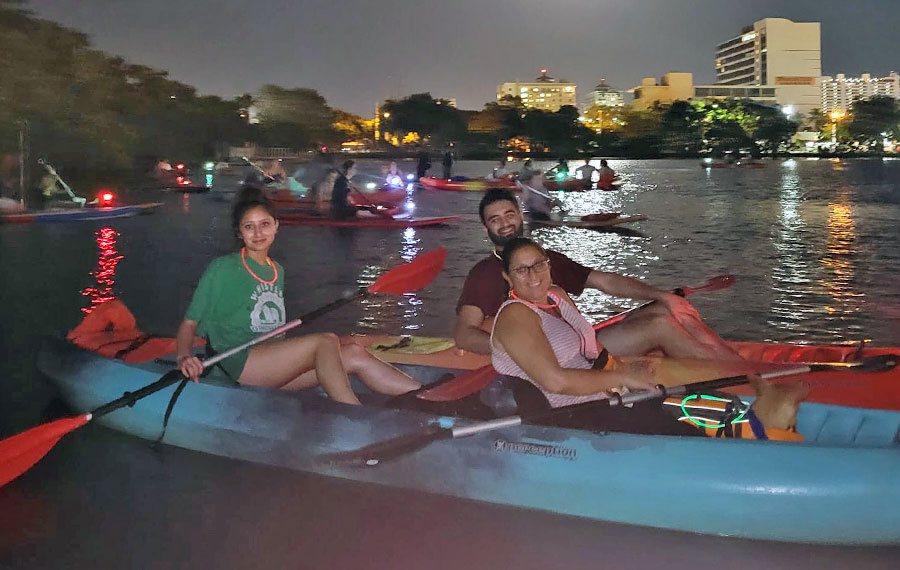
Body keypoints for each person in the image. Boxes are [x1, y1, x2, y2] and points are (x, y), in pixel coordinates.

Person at [175, 187, 420, 405]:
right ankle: (353, 417)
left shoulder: (276, 270)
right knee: (325, 341)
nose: (258, 233)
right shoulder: (223, 268)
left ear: (276, 226)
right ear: (239, 232)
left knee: (354, 353)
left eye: (265, 224)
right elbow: (189, 324)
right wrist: (185, 356)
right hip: (237, 365)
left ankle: (426, 397)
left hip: (272, 365)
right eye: (249, 226)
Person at [455, 188, 743, 362]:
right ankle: (741, 381)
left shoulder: (547, 258)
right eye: (495, 220)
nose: (505, 224)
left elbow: (605, 281)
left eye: (509, 214)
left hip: (581, 340)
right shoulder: (484, 274)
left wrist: (661, 294)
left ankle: (736, 364)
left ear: (520, 216)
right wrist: (517, 353)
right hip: (565, 355)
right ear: (486, 229)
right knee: (660, 326)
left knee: (672, 309)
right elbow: (465, 335)